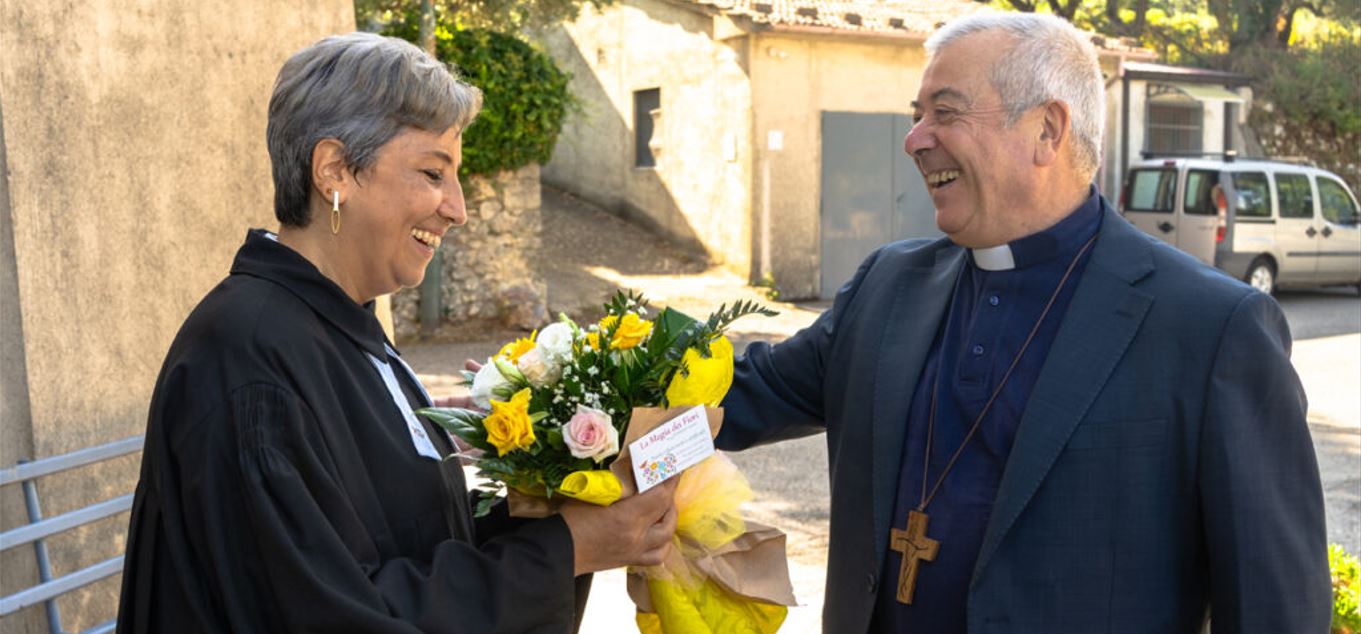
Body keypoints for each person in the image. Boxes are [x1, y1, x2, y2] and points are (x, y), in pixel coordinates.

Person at [716, 13, 1330, 633]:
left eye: (945, 113)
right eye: (917, 115)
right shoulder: (886, 286)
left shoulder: (1211, 328)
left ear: (1046, 130)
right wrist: (646, 439)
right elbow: (734, 399)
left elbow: (1274, 610)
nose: (915, 140)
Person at [117, 32, 677, 633]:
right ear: (335, 171)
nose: (457, 209)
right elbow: (328, 615)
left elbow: (412, 541)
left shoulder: (343, 329)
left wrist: (559, 509)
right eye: (433, 173)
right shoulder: (247, 356)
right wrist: (564, 551)